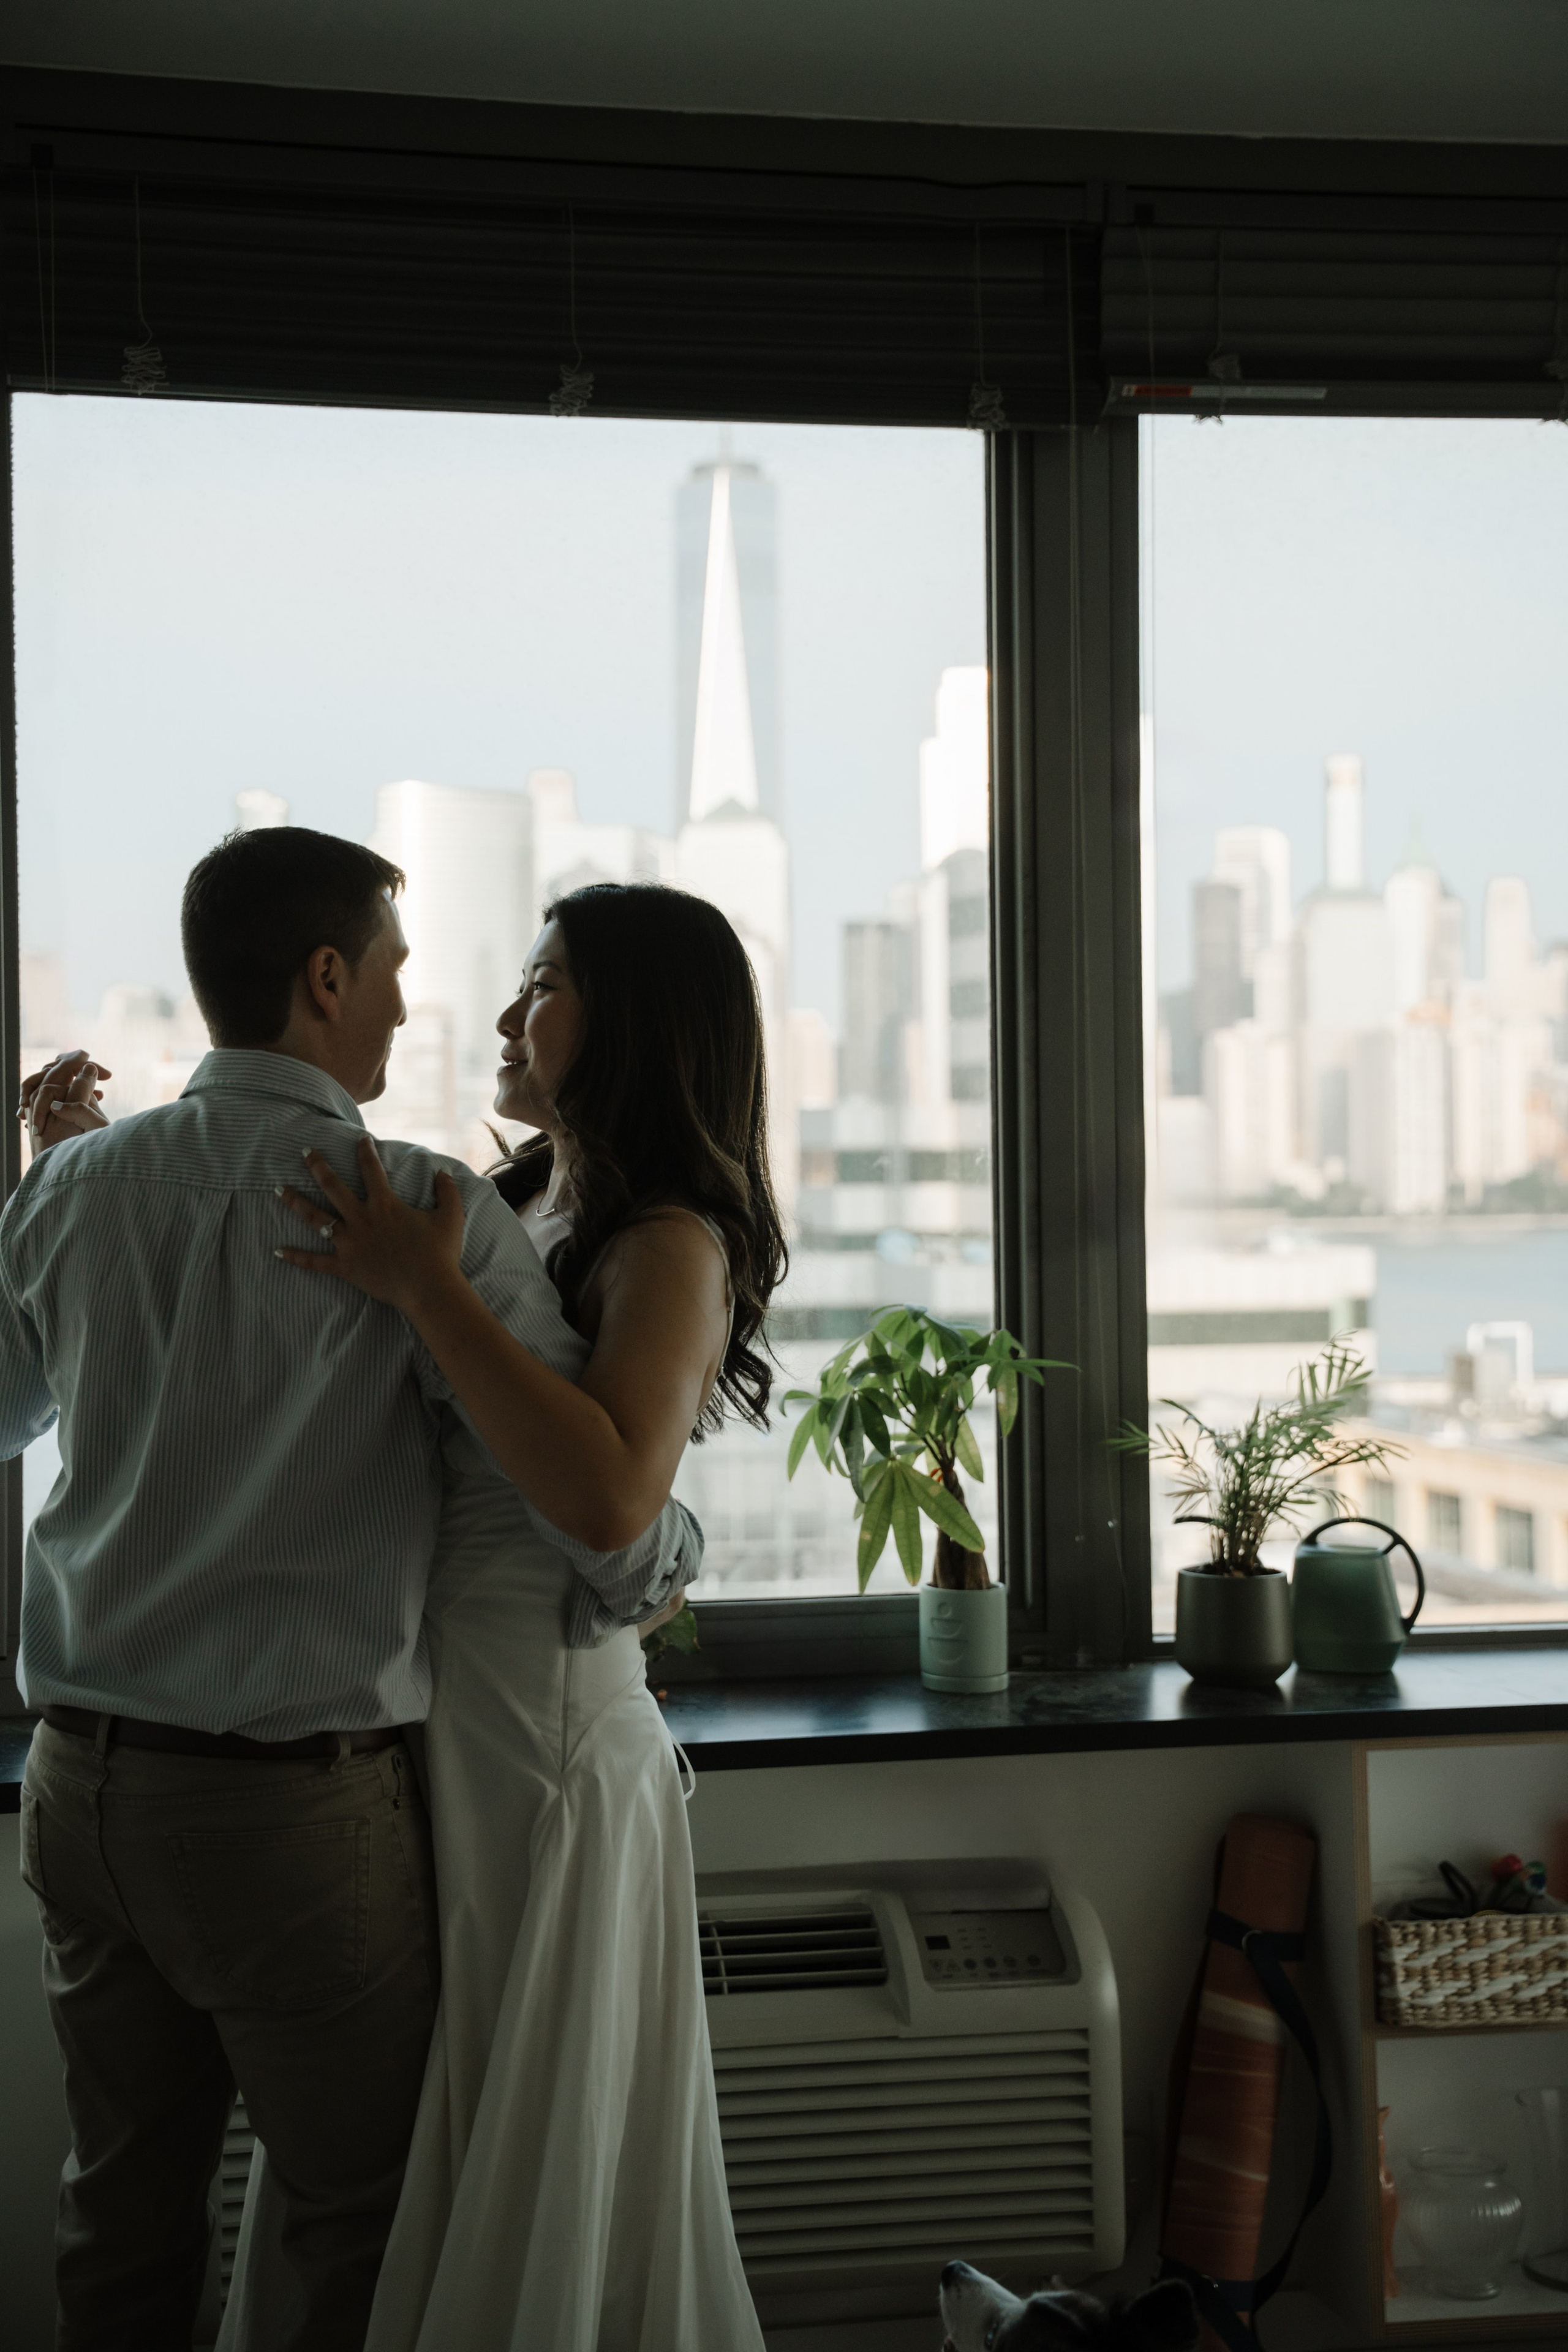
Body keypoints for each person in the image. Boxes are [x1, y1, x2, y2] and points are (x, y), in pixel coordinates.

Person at [6, 831, 695, 2352]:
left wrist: (46, 1216)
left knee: (118, 2213)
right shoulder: (414, 1210)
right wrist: (668, 1559)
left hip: (79, 1788)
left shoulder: (67, 1195)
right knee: (353, 2227)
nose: (404, 1007)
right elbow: (608, 1535)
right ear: (325, 979)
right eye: (389, 971)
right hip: (288, 1820)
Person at [226, 881, 784, 2352]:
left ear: (639, 1023)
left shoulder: (669, 1242)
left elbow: (607, 1501)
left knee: (527, 2138)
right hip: (431, 1707)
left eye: (543, 985)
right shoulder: (521, 1198)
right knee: (413, 2128)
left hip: (541, 1731)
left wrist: (431, 1295)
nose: (501, 1014)